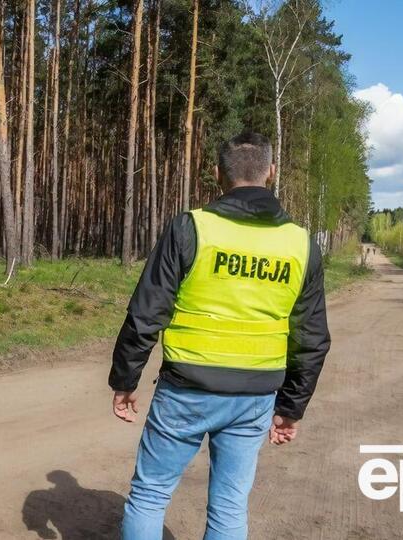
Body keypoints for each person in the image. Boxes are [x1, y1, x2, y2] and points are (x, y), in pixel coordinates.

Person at [109, 133, 331, 540]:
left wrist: (125, 380)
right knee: (230, 506)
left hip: (186, 390)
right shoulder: (301, 244)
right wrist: (292, 408)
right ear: (272, 173)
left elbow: (146, 313)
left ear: (217, 174)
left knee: (150, 494)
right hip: (254, 398)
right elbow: (312, 338)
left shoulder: (191, 227)